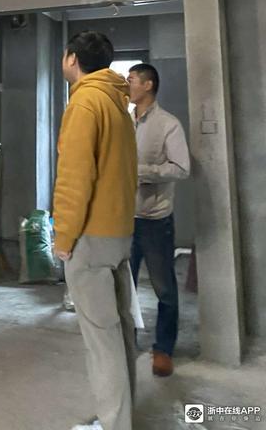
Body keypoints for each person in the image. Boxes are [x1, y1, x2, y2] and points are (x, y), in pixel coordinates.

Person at [53, 32, 137, 430]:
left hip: (90, 236)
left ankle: (114, 423)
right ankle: (122, 416)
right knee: (119, 331)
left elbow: (75, 178)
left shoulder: (84, 102)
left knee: (102, 339)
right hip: (118, 231)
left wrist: (63, 237)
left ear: (72, 58)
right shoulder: (117, 101)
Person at [127, 63, 190, 377]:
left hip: (155, 220)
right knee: (124, 286)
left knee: (164, 288)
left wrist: (142, 172)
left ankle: (163, 349)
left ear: (148, 85)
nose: (127, 85)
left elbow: (181, 168)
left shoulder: (168, 124)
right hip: (124, 218)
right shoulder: (124, 121)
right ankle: (127, 342)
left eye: (131, 80)